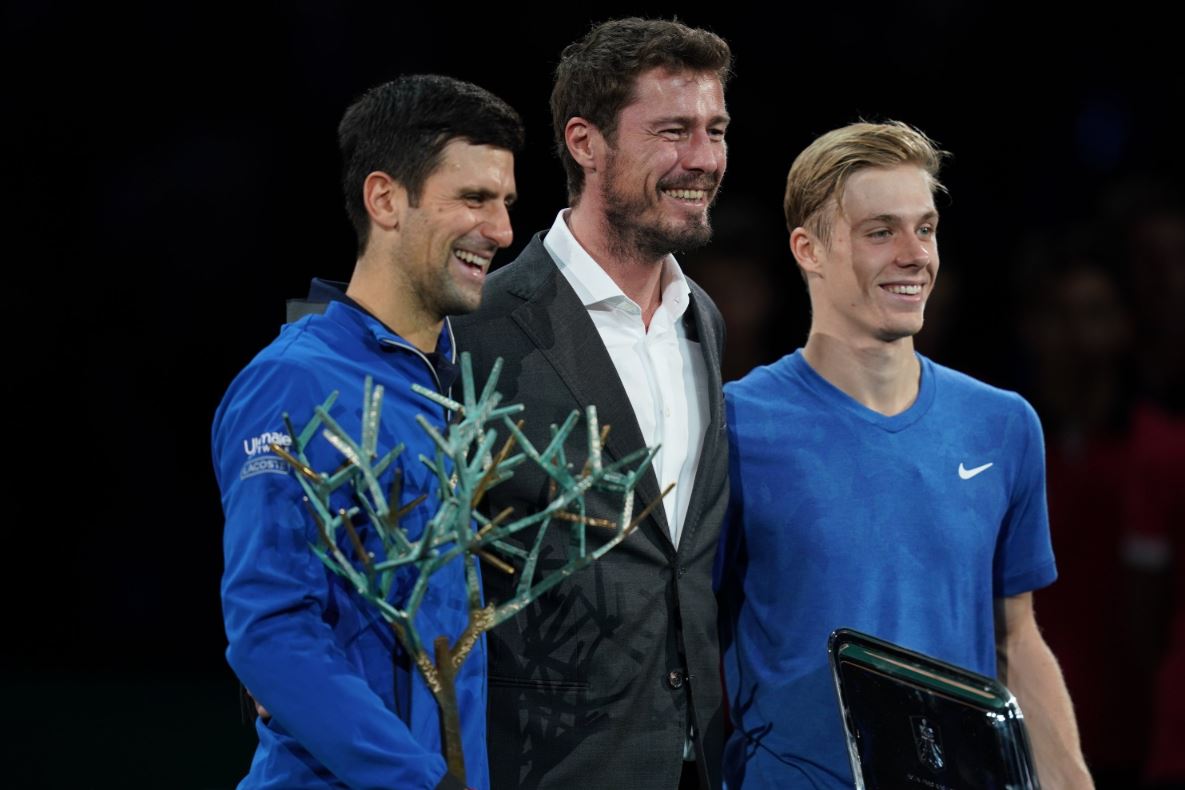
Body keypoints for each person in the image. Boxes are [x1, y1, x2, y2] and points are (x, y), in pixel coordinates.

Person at [716, 121, 1094, 789]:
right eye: (880, 231)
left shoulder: (1001, 425)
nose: (914, 254)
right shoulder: (733, 426)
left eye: (925, 228)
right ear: (808, 248)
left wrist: (1069, 776)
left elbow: (1015, 637)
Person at [212, 74, 522, 790]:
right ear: (385, 200)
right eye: (474, 199)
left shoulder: (449, 389)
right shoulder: (295, 382)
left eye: (505, 203)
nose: (502, 231)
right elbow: (271, 631)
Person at [450, 17, 732, 790]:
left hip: (700, 761)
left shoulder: (701, 319)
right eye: (672, 131)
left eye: (714, 130)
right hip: (544, 763)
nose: (702, 159)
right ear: (585, 143)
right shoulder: (477, 329)